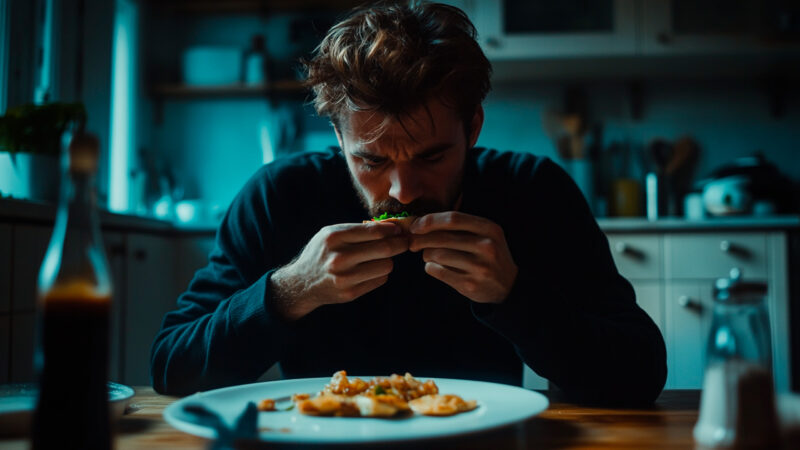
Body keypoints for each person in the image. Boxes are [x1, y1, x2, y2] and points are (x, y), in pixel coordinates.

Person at [151, 1, 666, 406]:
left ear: (473, 128)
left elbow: (639, 375)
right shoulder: (278, 196)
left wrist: (513, 295)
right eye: (372, 161)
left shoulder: (535, 192)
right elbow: (173, 367)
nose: (402, 191)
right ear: (338, 137)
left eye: (432, 155)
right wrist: (289, 292)